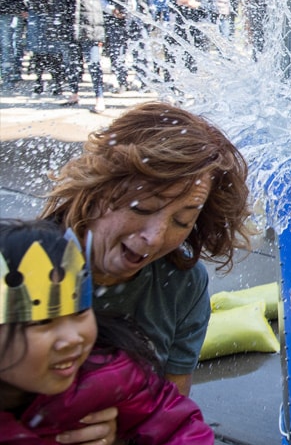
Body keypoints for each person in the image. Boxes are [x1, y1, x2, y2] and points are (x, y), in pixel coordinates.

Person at [41, 100, 253, 396]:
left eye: (182, 221)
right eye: (143, 207)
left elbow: (170, 415)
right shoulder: (25, 261)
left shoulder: (182, 285)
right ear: (99, 187)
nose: (154, 237)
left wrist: (120, 439)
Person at [0, 218, 216, 445]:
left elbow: (179, 431)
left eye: (80, 311)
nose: (73, 338)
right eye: (42, 321)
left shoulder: (109, 376)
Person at [171, 0, 217, 70]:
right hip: (183, 29)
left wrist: (196, 4)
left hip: (201, 30)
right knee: (187, 62)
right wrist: (177, 3)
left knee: (200, 63)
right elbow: (170, 7)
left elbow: (214, 8)